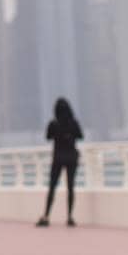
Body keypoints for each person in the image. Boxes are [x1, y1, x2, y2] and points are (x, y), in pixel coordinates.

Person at [37, 97, 84, 227]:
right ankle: (70, 217)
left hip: (58, 157)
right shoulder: (73, 123)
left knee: (52, 187)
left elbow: (48, 137)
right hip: (71, 157)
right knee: (70, 187)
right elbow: (81, 136)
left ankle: (46, 216)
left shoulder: (54, 124)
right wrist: (69, 135)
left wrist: (59, 135)